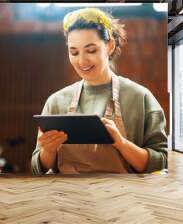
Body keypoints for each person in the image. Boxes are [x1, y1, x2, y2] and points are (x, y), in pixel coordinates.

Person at [31, 8, 167, 174]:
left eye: (91, 50)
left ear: (110, 46)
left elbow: (162, 162)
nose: (82, 61)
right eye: (73, 52)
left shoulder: (140, 98)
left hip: (124, 197)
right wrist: (48, 151)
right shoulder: (56, 102)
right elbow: (37, 168)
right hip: (67, 197)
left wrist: (121, 143)